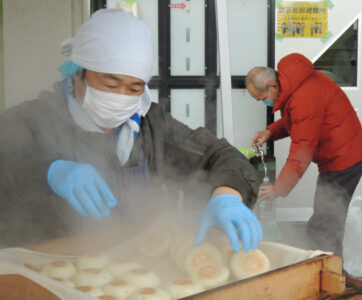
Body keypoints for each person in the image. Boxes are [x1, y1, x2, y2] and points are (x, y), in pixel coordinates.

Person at [0, 8, 262, 253]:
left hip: (140, 264)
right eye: (110, 84)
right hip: (51, 269)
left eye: (134, 88)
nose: (121, 97)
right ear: (78, 73)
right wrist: (48, 172)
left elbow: (220, 155)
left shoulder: (153, 125)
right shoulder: (33, 120)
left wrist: (227, 195)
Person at [246, 53, 362, 257]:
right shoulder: (293, 84)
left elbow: (301, 153)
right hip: (338, 156)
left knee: (326, 225)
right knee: (324, 221)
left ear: (272, 86)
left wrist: (278, 188)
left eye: (262, 99)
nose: (264, 103)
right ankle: (322, 266)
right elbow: (296, 121)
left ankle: (332, 276)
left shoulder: (303, 97)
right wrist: (271, 131)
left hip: (344, 160)